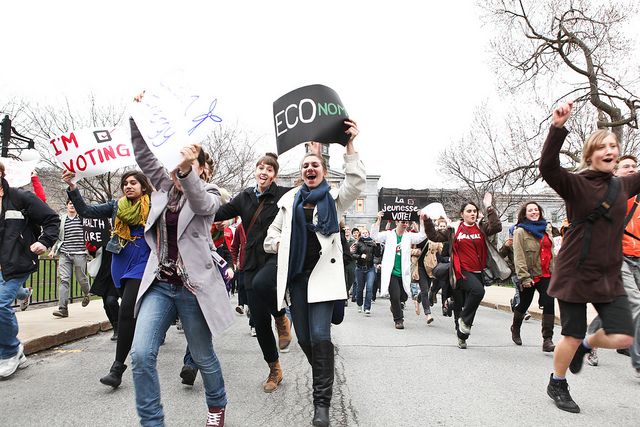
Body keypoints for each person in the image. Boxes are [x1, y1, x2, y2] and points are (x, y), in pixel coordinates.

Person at [128, 113, 234, 426]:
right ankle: (152, 421)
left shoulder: (211, 194)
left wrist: (189, 170)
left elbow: (200, 203)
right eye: (176, 163)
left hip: (193, 288)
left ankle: (217, 405)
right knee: (141, 355)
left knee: (202, 355)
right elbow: (145, 156)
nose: (178, 168)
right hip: (160, 284)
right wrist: (137, 118)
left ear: (202, 168)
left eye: (187, 163)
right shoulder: (163, 188)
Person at [540, 101, 640, 413]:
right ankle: (557, 382)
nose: (610, 150)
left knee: (624, 337)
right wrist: (557, 129)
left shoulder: (622, 185)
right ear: (590, 155)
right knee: (570, 334)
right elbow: (548, 167)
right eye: (602, 147)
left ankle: (586, 346)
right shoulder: (576, 184)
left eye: (614, 145)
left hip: (608, 273)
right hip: (575, 272)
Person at [264, 120, 365, 427]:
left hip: (323, 280)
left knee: (321, 336)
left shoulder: (334, 201)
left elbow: (356, 183)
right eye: (306, 165)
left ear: (322, 171)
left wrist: (349, 147)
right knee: (307, 341)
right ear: (300, 173)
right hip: (297, 281)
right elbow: (271, 239)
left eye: (315, 165)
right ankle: (325, 371)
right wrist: (283, 243)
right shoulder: (288, 202)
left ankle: (321, 404)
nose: (310, 168)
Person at [214, 150, 299, 393]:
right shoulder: (245, 197)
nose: (264, 172)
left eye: (269, 169)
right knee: (260, 322)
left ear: (274, 175)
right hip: (250, 261)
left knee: (264, 284)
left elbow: (305, 195)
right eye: (261, 167)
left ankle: (281, 316)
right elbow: (221, 212)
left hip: (274, 257)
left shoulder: (284, 195)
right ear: (256, 170)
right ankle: (274, 369)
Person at [64, 169, 153, 388]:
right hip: (120, 259)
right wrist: (73, 188)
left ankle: (117, 368)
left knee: (126, 311)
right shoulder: (116, 205)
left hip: (144, 259)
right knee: (130, 310)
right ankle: (144, 334)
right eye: (125, 183)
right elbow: (85, 211)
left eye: (133, 182)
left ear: (143, 186)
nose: (128, 186)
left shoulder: (154, 204)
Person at [0, 161, 60, 378]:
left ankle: (9, 352)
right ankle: (17, 353)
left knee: (0, 304)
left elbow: (52, 219)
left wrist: (44, 242)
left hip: (18, 262)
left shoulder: (20, 198)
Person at [583, 154, 640, 372]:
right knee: (636, 303)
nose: (632, 169)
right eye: (626, 166)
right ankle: (638, 360)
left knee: (625, 306)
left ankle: (591, 337)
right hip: (617, 257)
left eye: (634, 166)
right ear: (615, 171)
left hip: (638, 257)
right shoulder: (611, 195)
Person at [425, 193, 502, 349]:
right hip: (460, 272)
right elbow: (434, 236)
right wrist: (426, 220)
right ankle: (462, 322)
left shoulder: (481, 227)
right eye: (469, 211)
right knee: (478, 292)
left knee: (469, 305)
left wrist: (488, 206)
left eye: (474, 211)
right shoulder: (454, 229)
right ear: (462, 214)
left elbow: (497, 227)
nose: (472, 213)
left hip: (478, 272)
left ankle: (462, 336)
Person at [511, 201, 556, 352]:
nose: (534, 212)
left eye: (536, 210)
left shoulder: (546, 229)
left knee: (549, 302)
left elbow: (551, 252)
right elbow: (519, 256)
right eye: (530, 210)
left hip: (546, 273)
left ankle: (547, 339)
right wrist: (524, 277)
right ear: (525, 214)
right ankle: (515, 328)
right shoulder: (520, 231)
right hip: (530, 275)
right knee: (524, 303)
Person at [371, 214, 427, 330]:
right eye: (402, 221)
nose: (405, 224)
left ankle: (395, 306)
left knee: (403, 296)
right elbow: (374, 236)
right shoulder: (389, 234)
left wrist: (421, 220)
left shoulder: (409, 236)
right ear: (396, 222)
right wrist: (379, 219)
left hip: (404, 272)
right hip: (391, 272)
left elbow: (422, 236)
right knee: (395, 296)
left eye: (406, 222)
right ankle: (398, 319)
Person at [353, 226, 380, 315]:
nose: (365, 234)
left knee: (369, 288)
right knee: (360, 288)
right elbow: (353, 254)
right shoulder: (358, 243)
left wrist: (377, 245)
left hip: (370, 268)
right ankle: (359, 304)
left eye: (366, 233)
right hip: (360, 268)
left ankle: (367, 308)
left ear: (369, 234)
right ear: (361, 234)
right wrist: (360, 256)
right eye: (363, 233)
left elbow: (377, 254)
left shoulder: (372, 243)